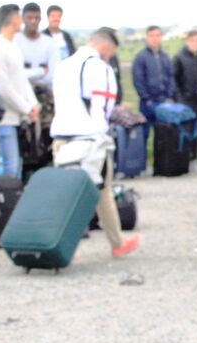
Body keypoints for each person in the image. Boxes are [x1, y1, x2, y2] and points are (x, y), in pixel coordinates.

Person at [49, 27, 140, 258]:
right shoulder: (101, 68)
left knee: (65, 196)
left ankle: (50, 243)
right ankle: (117, 243)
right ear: (105, 47)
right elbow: (104, 108)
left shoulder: (62, 66)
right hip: (89, 142)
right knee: (103, 192)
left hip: (60, 140)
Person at [0, 3, 39, 179]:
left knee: (17, 165)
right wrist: (26, 108)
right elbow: (3, 88)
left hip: (18, 117)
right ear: (14, 19)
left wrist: (33, 104)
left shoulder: (12, 45)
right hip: (4, 118)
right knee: (9, 166)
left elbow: (21, 79)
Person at [131, 25, 175, 175]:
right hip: (147, 103)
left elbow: (170, 77)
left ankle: (160, 166)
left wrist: (169, 96)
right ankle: (141, 166)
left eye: (157, 35)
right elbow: (138, 80)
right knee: (144, 134)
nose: (155, 39)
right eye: (152, 36)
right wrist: (147, 99)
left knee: (163, 135)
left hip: (163, 102)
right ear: (147, 38)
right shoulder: (141, 57)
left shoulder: (165, 57)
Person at [172, 29, 197, 159]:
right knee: (184, 131)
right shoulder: (179, 58)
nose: (195, 43)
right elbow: (174, 81)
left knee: (196, 131)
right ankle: (183, 159)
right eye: (192, 41)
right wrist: (179, 100)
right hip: (185, 102)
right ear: (187, 42)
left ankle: (194, 158)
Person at [16, 2, 64, 90]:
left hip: (45, 93)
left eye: (36, 18)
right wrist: (41, 71)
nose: (33, 21)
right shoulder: (14, 41)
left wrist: (27, 75)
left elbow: (53, 74)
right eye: (29, 18)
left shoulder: (50, 43)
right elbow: (14, 74)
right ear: (22, 19)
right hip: (19, 91)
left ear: (40, 19)